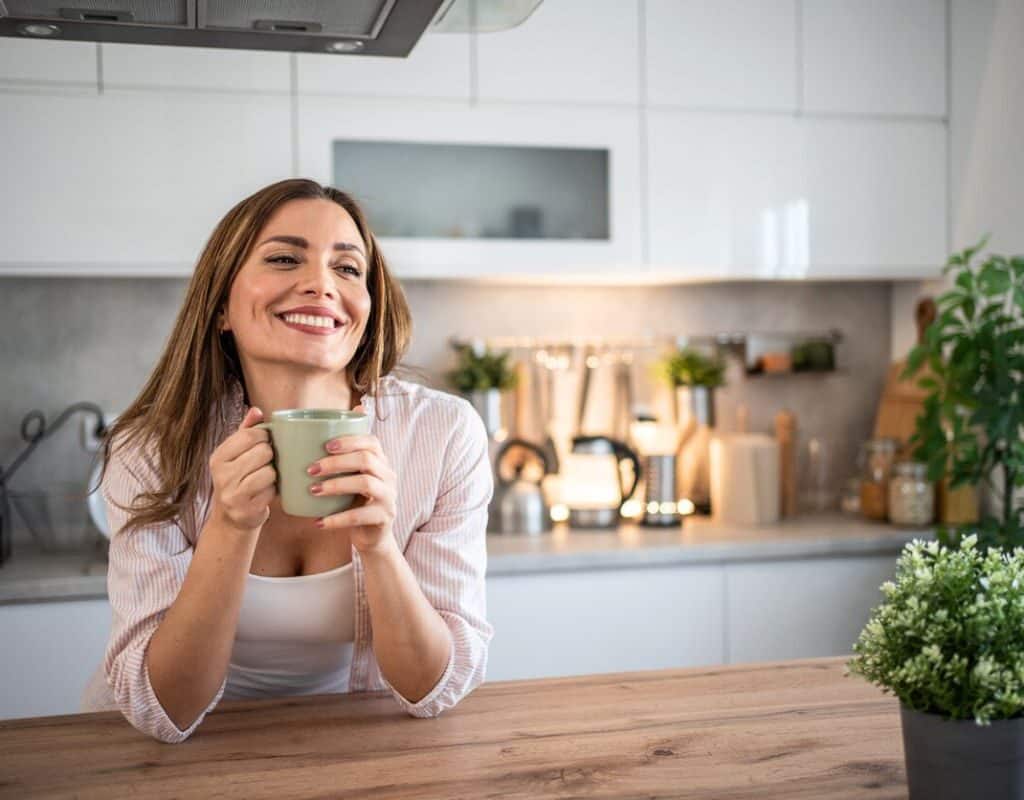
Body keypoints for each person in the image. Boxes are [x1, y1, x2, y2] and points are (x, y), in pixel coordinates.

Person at [79, 178, 494, 743]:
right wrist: (230, 525)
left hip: (354, 749)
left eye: (347, 269)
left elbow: (435, 688)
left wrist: (379, 546)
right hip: (173, 758)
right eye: (283, 258)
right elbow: (162, 710)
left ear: (367, 309)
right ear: (221, 305)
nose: (321, 285)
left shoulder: (442, 435)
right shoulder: (149, 448)